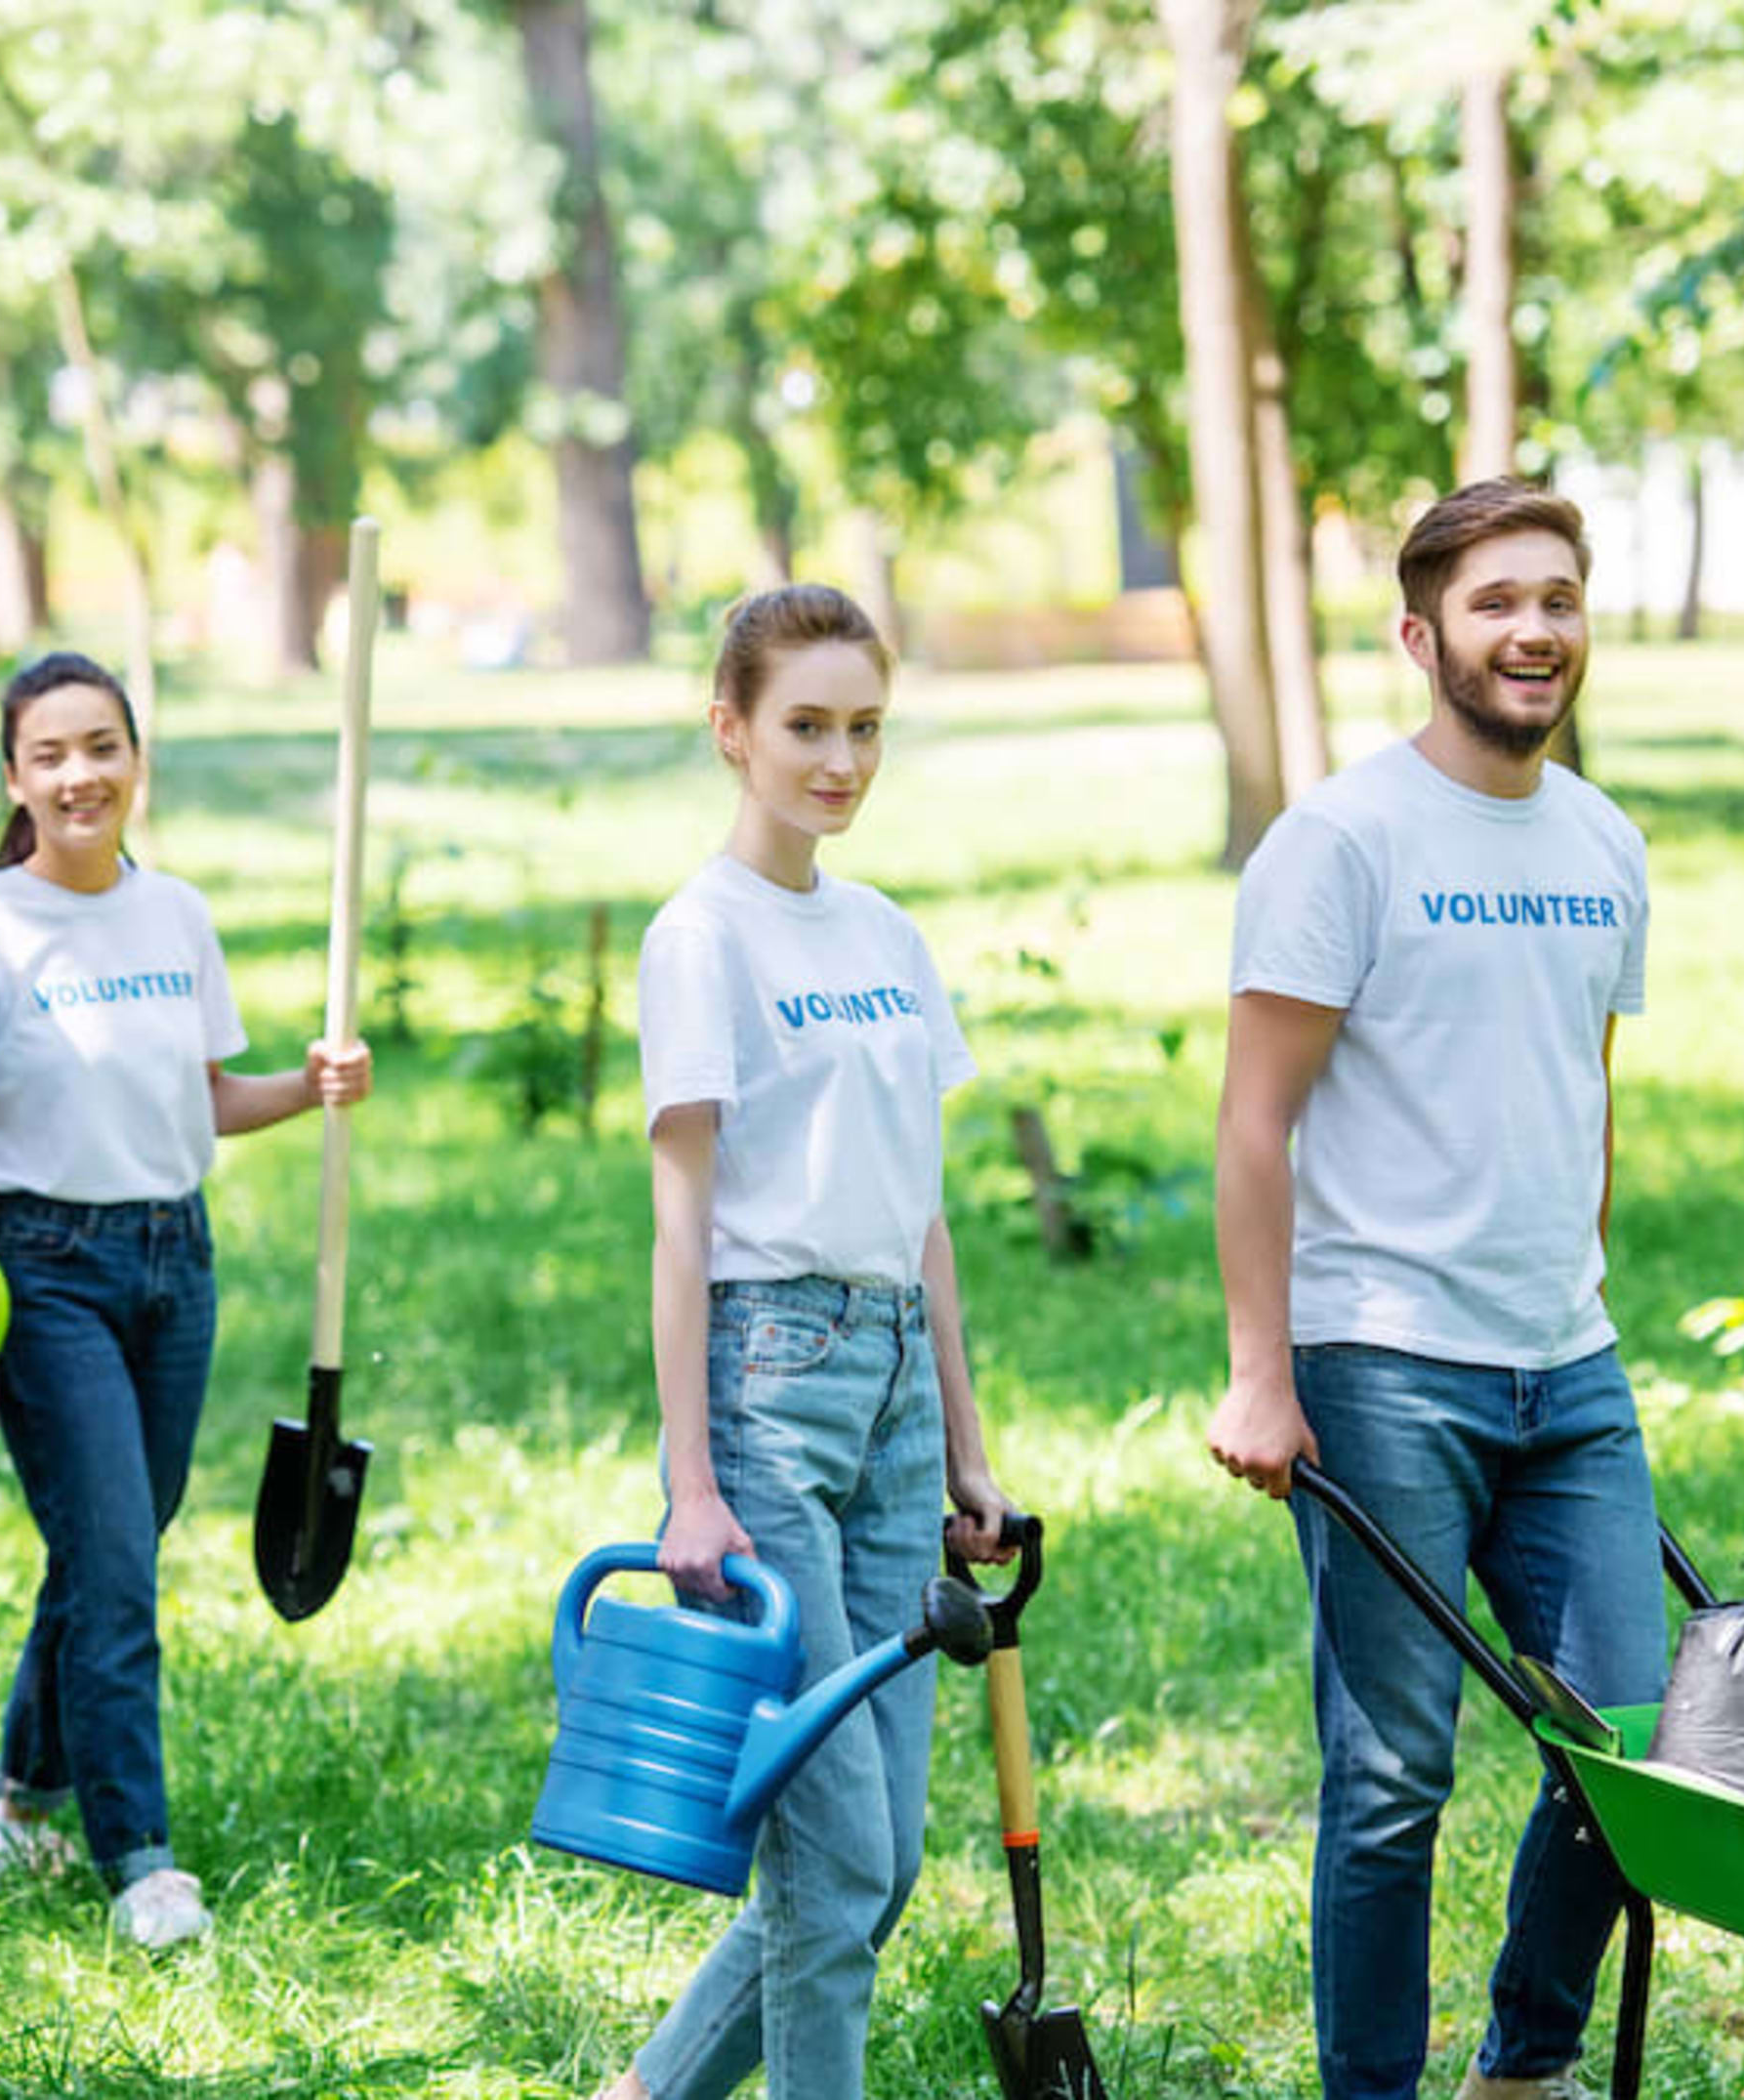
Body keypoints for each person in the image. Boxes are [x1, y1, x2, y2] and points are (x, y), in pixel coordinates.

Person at [1205, 479, 1665, 2100]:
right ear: (1421, 636)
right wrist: (1265, 1370)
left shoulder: (1606, 842)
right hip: (1383, 1363)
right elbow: (1254, 1119)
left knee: (1632, 1753)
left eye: (1555, 597)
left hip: (1569, 1370)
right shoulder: (1343, 840)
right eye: (1493, 604)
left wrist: (1579, 1289)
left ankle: (1521, 2070)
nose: (1532, 629)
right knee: (1392, 1776)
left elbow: (1585, 1091)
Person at [595, 584, 1020, 2100]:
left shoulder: (888, 932)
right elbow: (682, 1226)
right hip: (768, 1390)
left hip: (899, 1392)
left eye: (863, 727)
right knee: (838, 1862)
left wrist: (966, 1443)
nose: (839, 760)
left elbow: (925, 1214)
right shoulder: (698, 937)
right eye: (806, 726)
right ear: (731, 731)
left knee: (878, 1860)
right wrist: (691, 1483)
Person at [0, 651, 370, 1952]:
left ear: (136, 761)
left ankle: (27, 1795)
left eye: (101, 746)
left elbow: (208, 1099)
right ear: (15, 776)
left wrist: (313, 1083)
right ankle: (139, 1856)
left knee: (118, 1539)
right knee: (116, 1560)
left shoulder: (175, 914)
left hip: (179, 1259)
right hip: (46, 1269)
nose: (79, 774)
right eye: (49, 753)